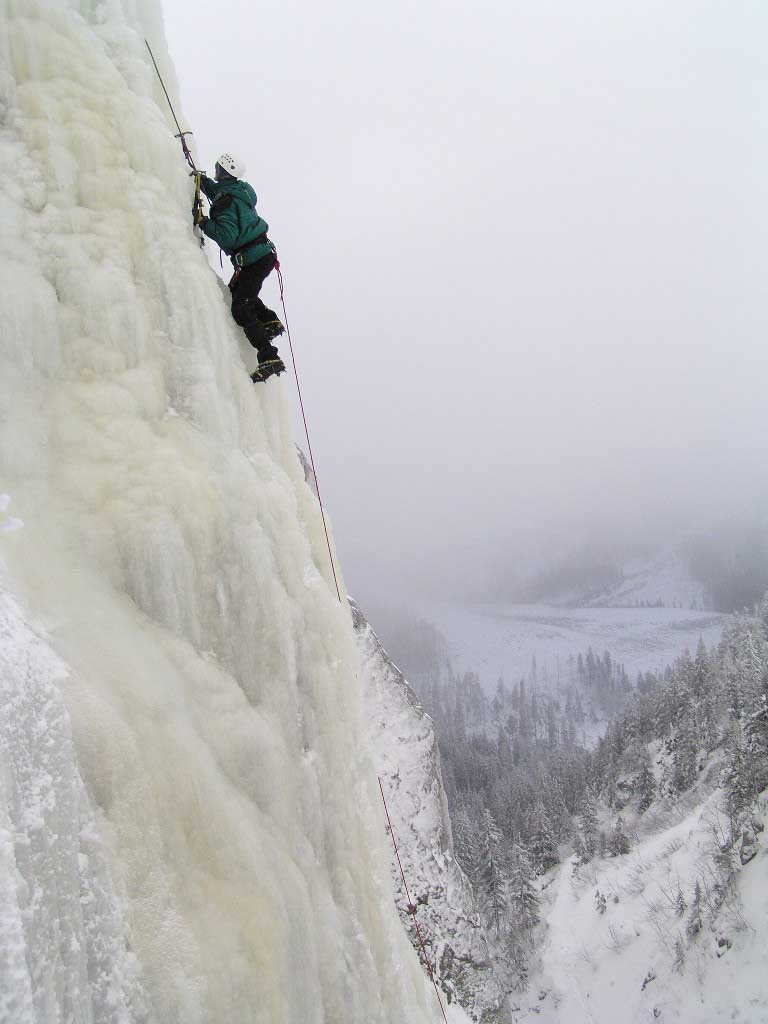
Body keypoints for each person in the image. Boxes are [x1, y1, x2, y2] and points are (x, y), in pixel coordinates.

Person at [195, 153, 286, 382]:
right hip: (260, 255)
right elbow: (218, 192)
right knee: (240, 293)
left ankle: (269, 357)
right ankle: (269, 320)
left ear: (223, 172)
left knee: (241, 307)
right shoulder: (238, 191)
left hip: (253, 258)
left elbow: (227, 237)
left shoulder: (227, 201)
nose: (215, 172)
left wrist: (204, 222)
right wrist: (201, 181)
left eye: (217, 169)